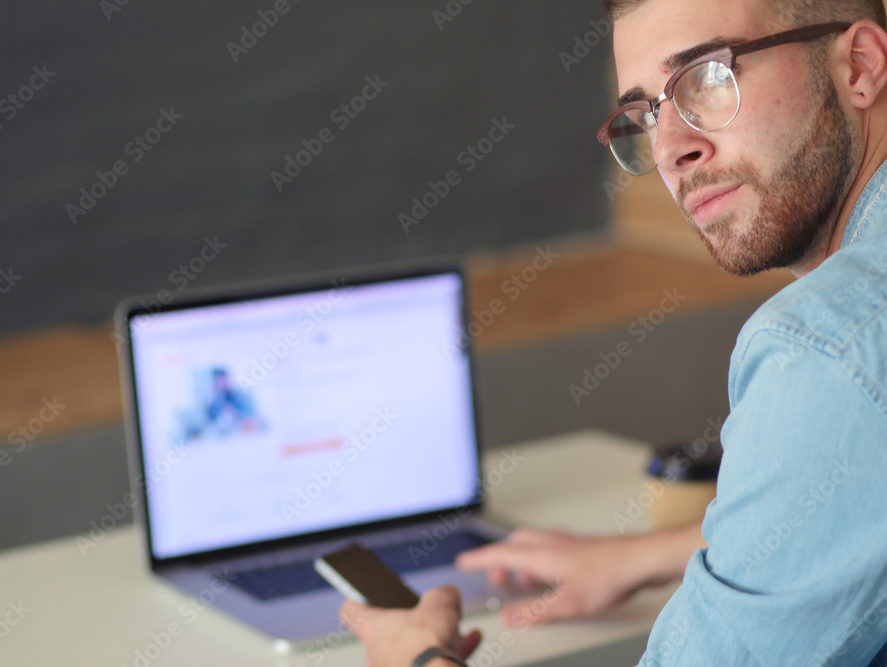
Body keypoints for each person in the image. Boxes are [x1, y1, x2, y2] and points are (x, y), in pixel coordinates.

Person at [341, 0, 887, 664]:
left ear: (860, 65)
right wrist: (646, 554)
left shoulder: (824, 348)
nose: (669, 151)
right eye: (648, 112)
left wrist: (421, 659)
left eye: (708, 78)